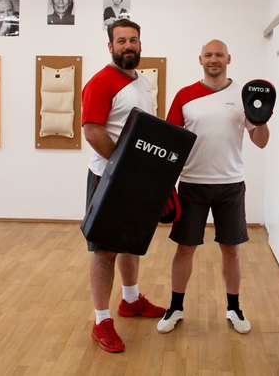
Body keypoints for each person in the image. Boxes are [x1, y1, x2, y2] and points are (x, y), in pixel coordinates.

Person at [157, 39, 270, 335]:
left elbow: (260, 141)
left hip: (230, 185)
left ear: (228, 58)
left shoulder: (243, 96)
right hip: (192, 184)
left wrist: (262, 120)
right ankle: (175, 306)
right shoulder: (185, 95)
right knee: (185, 249)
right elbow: (170, 139)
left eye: (219, 54)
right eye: (208, 55)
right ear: (200, 59)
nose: (213, 59)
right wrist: (164, 183)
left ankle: (234, 308)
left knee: (231, 251)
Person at [81, 19, 166, 353]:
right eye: (121, 41)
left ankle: (130, 301)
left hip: (135, 178)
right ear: (110, 46)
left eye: (133, 40)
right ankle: (101, 321)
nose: (128, 46)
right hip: (108, 177)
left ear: (140, 44)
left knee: (131, 243)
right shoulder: (100, 83)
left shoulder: (142, 82)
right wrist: (124, 168)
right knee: (104, 251)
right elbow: (93, 131)